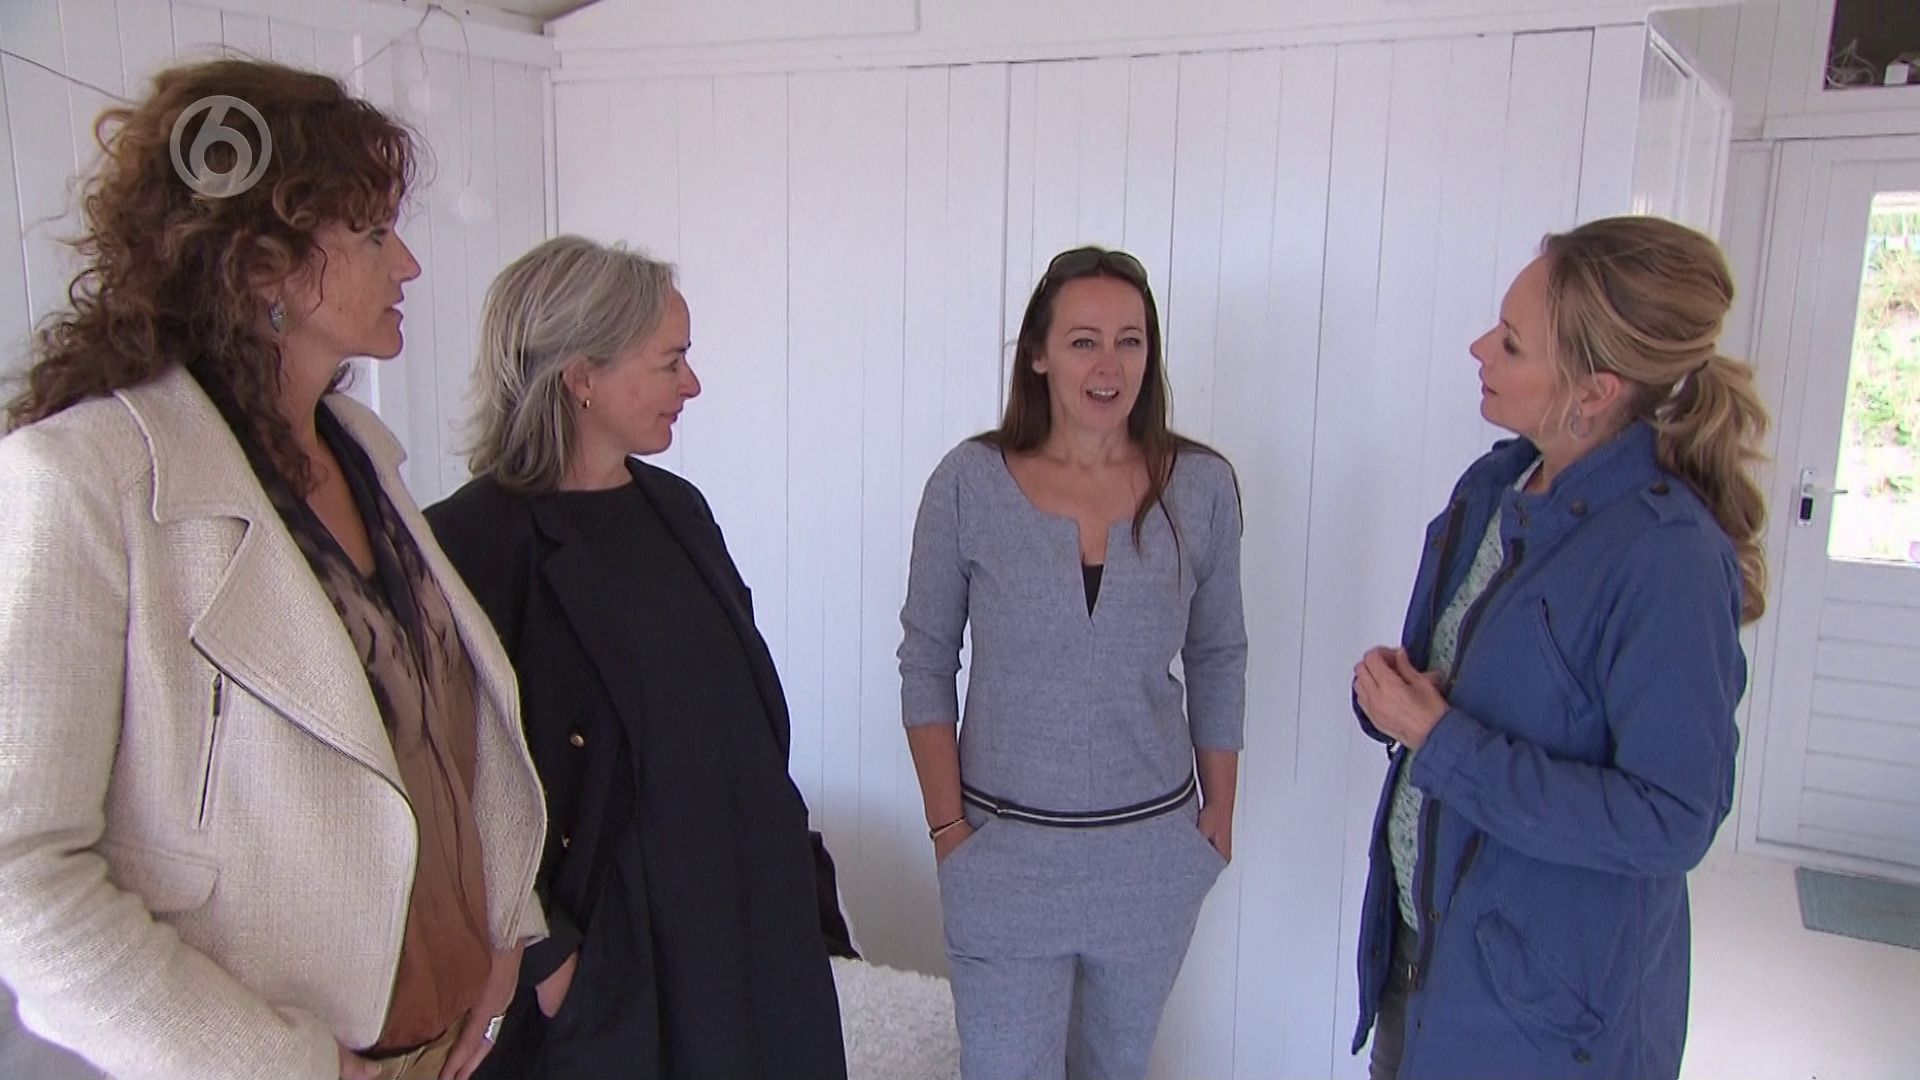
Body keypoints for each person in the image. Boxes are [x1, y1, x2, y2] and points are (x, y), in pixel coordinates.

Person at [0, 60, 548, 1080]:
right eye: (374, 234)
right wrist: (278, 1065)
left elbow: (440, 740)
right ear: (262, 267)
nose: (408, 264)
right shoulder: (82, 480)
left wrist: (504, 933)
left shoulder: (358, 449)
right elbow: (20, 877)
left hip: (443, 1040)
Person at [1350, 216, 1770, 1080]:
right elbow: (1471, 693)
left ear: (1595, 392)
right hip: (1425, 959)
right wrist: (1398, 700)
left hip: (1542, 1021)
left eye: (1511, 343)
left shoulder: (1668, 557)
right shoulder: (1496, 484)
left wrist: (1439, 738)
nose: (1479, 349)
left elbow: (1670, 821)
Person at [425, 235, 851, 1080]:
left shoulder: (677, 509)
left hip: (747, 928)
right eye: (670, 361)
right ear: (581, 376)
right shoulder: (469, 542)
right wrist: (554, 963)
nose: (692, 385)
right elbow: (453, 781)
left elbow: (737, 721)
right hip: (615, 960)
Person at [898, 245, 1247, 1080]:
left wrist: (1218, 817)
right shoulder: (968, 484)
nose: (1109, 365)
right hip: (1003, 857)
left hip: (1150, 859)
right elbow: (926, 662)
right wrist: (949, 832)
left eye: (1131, 341)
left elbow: (1219, 652)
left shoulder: (1201, 487)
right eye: (1084, 340)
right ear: (1038, 354)